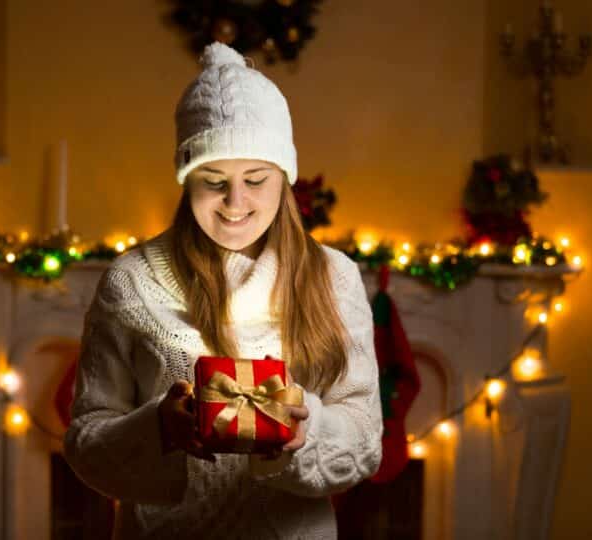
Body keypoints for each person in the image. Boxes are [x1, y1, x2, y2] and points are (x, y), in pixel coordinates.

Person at [64, 41, 383, 540]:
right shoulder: (131, 281)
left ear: (285, 178)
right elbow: (85, 443)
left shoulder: (333, 277)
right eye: (214, 180)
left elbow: (365, 439)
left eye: (256, 179)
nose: (236, 202)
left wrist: (306, 433)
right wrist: (159, 430)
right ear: (186, 181)